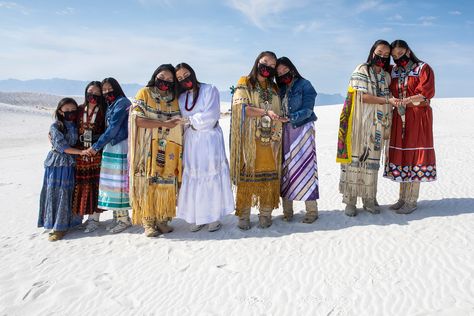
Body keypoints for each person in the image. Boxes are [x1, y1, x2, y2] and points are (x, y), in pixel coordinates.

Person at [337, 40, 396, 216]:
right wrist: (386, 101)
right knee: (355, 161)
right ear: (372, 52)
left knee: (372, 163)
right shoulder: (362, 69)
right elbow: (362, 97)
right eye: (380, 53)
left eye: (386, 55)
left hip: (377, 126)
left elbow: (390, 95)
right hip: (359, 125)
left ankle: (369, 198)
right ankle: (350, 201)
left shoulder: (386, 76)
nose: (382, 57)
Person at [175, 62, 234, 232]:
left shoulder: (210, 90)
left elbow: (211, 116)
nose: (184, 79)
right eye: (179, 78)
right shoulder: (181, 97)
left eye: (186, 75)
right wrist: (189, 122)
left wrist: (190, 120)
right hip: (192, 141)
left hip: (209, 140)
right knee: (194, 175)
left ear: (192, 73)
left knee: (211, 174)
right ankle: (198, 216)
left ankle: (213, 217)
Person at [230, 51, 285, 229]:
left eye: (272, 65)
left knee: (269, 176)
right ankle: (244, 215)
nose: (268, 67)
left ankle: (265, 214)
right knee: (248, 175)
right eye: (265, 62)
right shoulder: (244, 82)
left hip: (271, 140)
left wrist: (280, 118)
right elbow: (242, 109)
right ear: (257, 62)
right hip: (250, 139)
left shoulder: (274, 88)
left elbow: (278, 109)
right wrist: (265, 112)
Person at [129, 65, 183, 237]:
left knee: (165, 181)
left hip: (168, 147)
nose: (165, 82)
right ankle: (148, 222)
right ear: (155, 76)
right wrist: (164, 124)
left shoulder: (174, 99)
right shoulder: (144, 93)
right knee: (148, 182)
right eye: (162, 77)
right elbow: (137, 120)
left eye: (169, 80)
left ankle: (162, 219)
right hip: (147, 147)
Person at [384, 39, 436, 214]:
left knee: (415, 154)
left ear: (407, 51)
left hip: (418, 116)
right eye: (394, 56)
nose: (397, 58)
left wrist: (406, 100)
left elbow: (426, 94)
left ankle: (412, 201)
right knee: (403, 155)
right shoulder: (394, 71)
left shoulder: (422, 68)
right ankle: (402, 198)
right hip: (400, 116)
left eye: (400, 53)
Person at [276, 57, 319, 223]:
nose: (282, 74)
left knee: (306, 168)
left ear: (291, 68)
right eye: (278, 73)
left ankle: (311, 211)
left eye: (285, 70)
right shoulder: (278, 88)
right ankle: (288, 211)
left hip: (302, 131)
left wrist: (290, 117)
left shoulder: (305, 84)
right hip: (283, 132)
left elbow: (308, 109)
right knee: (285, 169)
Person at [38, 97, 88, 241]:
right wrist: (80, 152)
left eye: (73, 110)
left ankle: (72, 223)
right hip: (58, 164)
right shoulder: (56, 127)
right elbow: (62, 146)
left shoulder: (78, 125)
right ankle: (58, 227)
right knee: (58, 193)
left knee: (71, 192)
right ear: (60, 111)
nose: (70, 113)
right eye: (66, 110)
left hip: (73, 163)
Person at [86, 78, 132, 233]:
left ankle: (124, 220)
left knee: (118, 183)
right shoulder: (111, 104)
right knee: (112, 184)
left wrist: (96, 147)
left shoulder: (122, 103)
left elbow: (113, 128)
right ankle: (118, 217)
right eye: (104, 90)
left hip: (119, 146)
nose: (106, 92)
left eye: (109, 89)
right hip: (111, 146)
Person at [72, 81, 106, 233]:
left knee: (96, 186)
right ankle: (87, 218)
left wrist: (95, 138)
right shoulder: (79, 110)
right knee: (83, 185)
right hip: (81, 154)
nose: (93, 96)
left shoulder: (103, 111)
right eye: (90, 92)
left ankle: (95, 219)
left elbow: (107, 132)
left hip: (96, 153)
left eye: (97, 93)